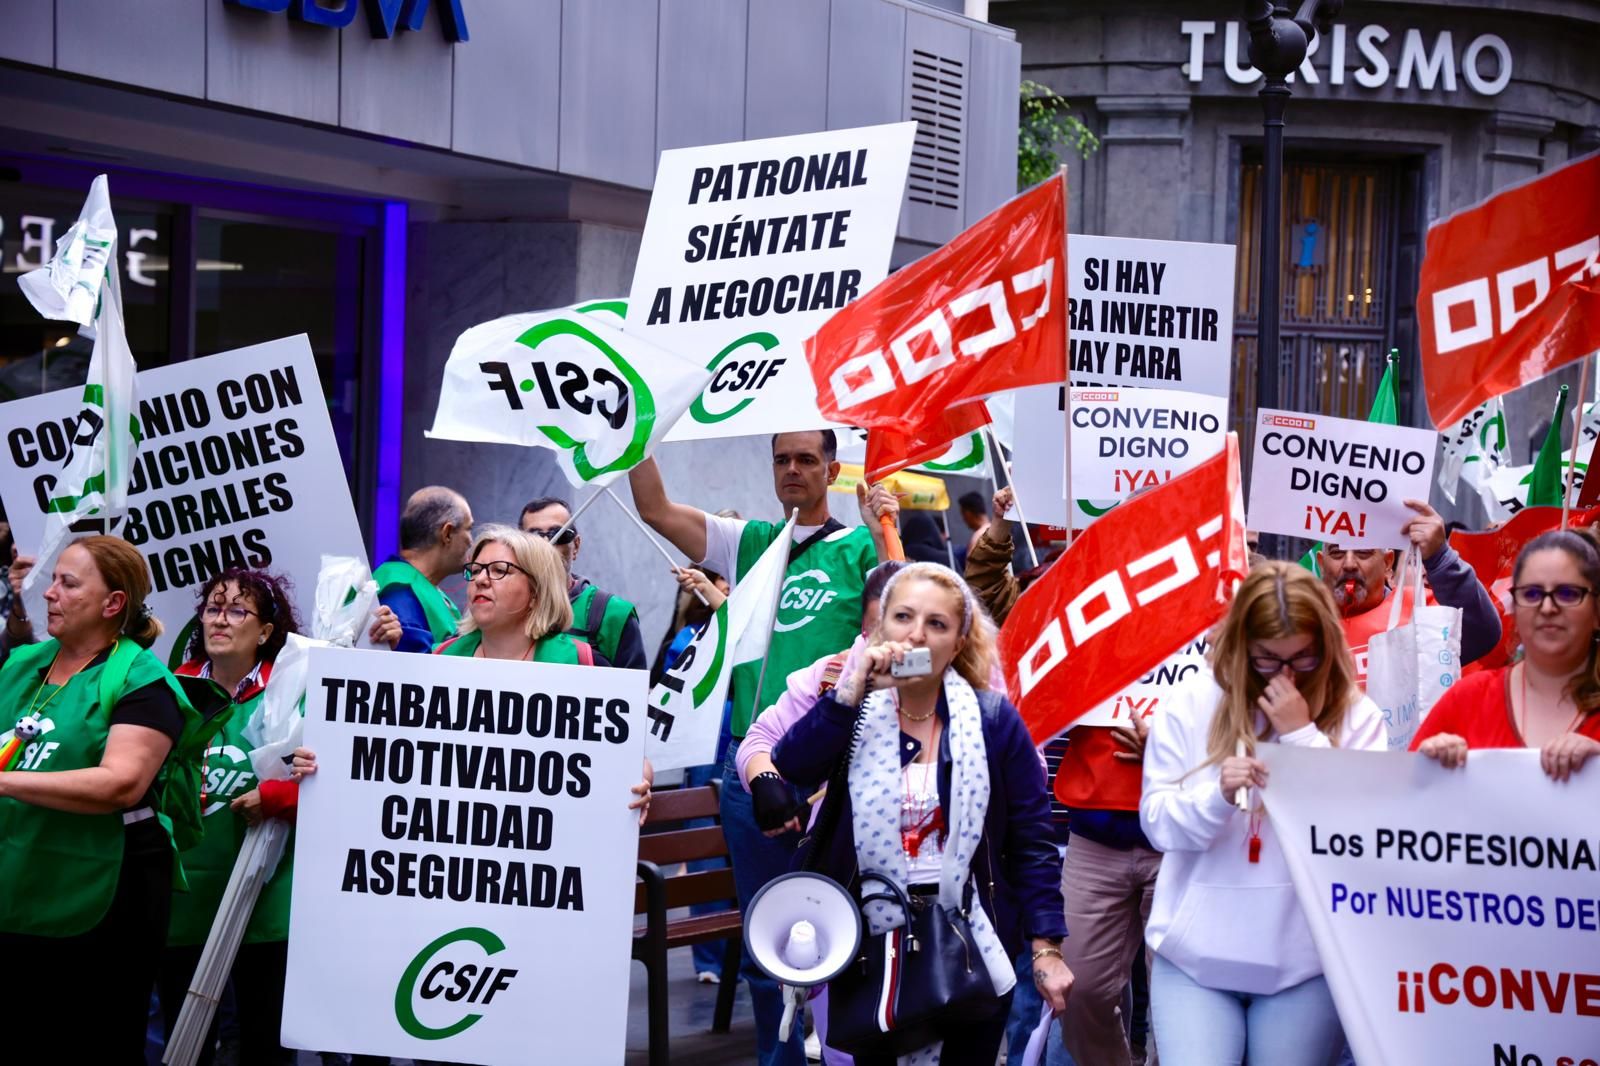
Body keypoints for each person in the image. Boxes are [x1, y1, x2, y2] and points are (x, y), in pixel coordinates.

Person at [629, 430, 898, 1066]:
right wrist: (632, 430)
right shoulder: (748, 542)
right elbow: (655, 510)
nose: (793, 470)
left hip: (843, 769)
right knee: (766, 933)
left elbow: (900, 614)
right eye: (782, 459)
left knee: (851, 930)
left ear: (832, 469)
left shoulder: (858, 545)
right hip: (754, 770)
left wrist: (885, 527)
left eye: (807, 459)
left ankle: (840, 1054)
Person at [770, 562, 1073, 1064]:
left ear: (957, 643)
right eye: (903, 616)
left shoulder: (994, 722)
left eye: (937, 624)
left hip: (971, 946)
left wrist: (1045, 948)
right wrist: (853, 690)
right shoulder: (853, 712)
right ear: (878, 628)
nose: (916, 633)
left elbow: (1031, 842)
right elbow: (792, 766)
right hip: (871, 951)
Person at [1141, 562, 1385, 1066]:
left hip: (1304, 965)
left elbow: (1358, 837)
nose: (1288, 674)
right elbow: (1158, 823)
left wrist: (1301, 738)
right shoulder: (1189, 701)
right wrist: (1217, 795)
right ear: (1240, 645)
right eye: (1268, 660)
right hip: (1194, 961)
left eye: (1304, 657)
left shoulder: (1358, 715)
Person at [965, 482, 1156, 1066]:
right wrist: (1000, 529)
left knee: (1168, 998)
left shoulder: (1178, 601)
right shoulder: (1055, 598)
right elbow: (982, 592)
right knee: (1074, 995)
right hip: (1069, 832)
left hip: (1164, 828)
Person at [0, 535, 205, 1061]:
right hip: (17, 880)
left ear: (114, 604)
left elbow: (121, 783)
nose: (51, 593)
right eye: (53, 581)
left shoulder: (143, 679)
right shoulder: (22, 664)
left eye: (69, 584)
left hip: (107, 893)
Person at [292, 526, 653, 820]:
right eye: (476, 570)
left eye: (499, 571)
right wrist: (325, 758)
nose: (481, 580)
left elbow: (632, 753)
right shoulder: (440, 662)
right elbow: (389, 756)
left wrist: (640, 778)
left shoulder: (584, 664)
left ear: (536, 591)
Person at [159, 570, 306, 1066]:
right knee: (185, 1044)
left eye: (237, 610)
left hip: (262, 902)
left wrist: (283, 794)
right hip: (183, 899)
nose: (220, 619)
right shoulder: (167, 691)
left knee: (265, 1043)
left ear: (265, 631)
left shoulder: (293, 691)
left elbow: (339, 784)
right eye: (213, 608)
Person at [1413, 530, 1600, 775]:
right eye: (1531, 594)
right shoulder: (1468, 699)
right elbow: (1400, 800)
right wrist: (1428, 768)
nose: (1547, 607)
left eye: (1567, 594)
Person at [1319, 497, 1499, 685]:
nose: (1349, 564)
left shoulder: (1421, 610)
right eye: (1337, 553)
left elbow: (1482, 632)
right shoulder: (1302, 620)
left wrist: (1440, 558)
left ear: (1388, 563)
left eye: (1363, 552)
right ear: (1321, 564)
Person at [519, 494, 648, 670]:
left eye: (559, 534)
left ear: (576, 546)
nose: (546, 543)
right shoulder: (501, 606)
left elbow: (633, 693)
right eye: (533, 536)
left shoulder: (613, 614)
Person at [374, 486, 474, 653]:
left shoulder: (423, 588)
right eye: (469, 529)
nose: (471, 541)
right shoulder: (400, 596)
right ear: (447, 533)